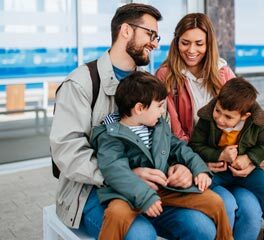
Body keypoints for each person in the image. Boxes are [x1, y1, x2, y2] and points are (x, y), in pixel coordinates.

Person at [50, 4, 224, 240]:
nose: (155, 43)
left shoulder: (150, 85)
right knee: (141, 234)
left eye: (156, 36)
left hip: (151, 187)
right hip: (92, 189)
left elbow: (165, 139)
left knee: (202, 228)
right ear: (125, 31)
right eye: (150, 34)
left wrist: (180, 166)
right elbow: (66, 152)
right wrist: (127, 174)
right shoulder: (81, 83)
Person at [156, 13, 263, 239]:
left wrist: (249, 159)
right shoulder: (166, 77)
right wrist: (203, 161)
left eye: (199, 43)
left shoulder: (223, 72)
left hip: (230, 165)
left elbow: (251, 122)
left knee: (252, 210)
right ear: (176, 42)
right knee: (226, 204)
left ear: (209, 44)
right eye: (185, 43)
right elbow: (175, 134)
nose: (191, 50)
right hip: (195, 164)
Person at [91, 71, 232, 240]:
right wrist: (145, 196)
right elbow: (114, 169)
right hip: (128, 193)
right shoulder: (111, 135)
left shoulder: (159, 127)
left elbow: (180, 148)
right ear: (139, 108)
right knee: (116, 213)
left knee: (215, 202)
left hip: (165, 187)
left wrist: (199, 169)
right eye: (159, 106)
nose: (162, 111)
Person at [189, 77, 264, 240]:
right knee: (199, 188)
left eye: (228, 117)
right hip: (217, 171)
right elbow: (195, 145)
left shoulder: (256, 123)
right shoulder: (207, 119)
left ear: (244, 116)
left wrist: (249, 158)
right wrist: (219, 155)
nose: (220, 119)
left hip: (245, 171)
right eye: (218, 111)